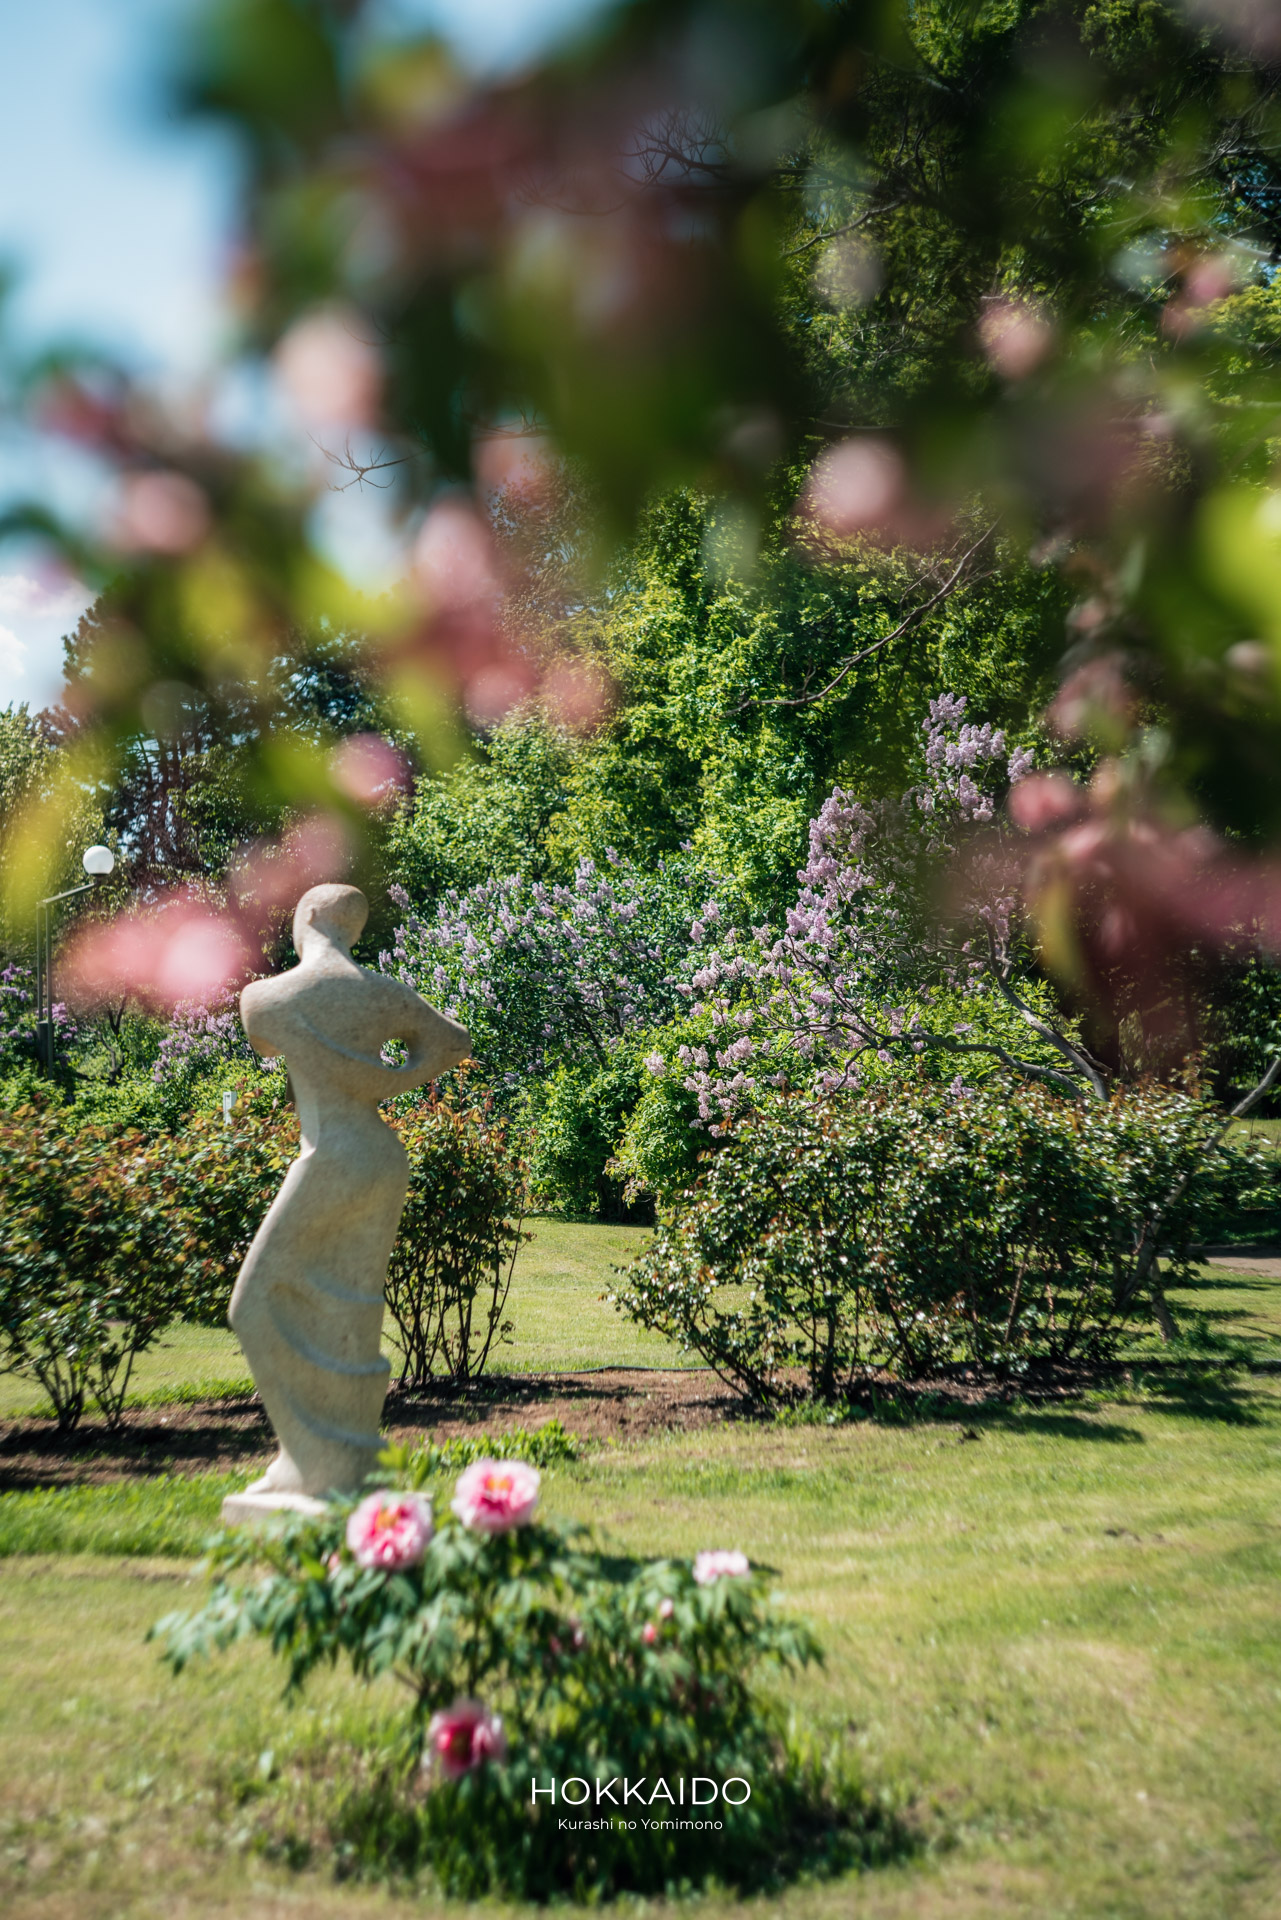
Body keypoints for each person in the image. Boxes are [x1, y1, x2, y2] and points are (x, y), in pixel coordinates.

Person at [225, 883, 470, 1514]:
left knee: (253, 1304)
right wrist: (390, 1083)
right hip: (381, 1160)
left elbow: (261, 1038)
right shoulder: (381, 992)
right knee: (351, 1312)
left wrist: (374, 1082)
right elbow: (453, 1042)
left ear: (307, 917)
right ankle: (331, 1462)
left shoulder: (270, 998)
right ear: (355, 929)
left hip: (331, 1155)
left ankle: (315, 1461)